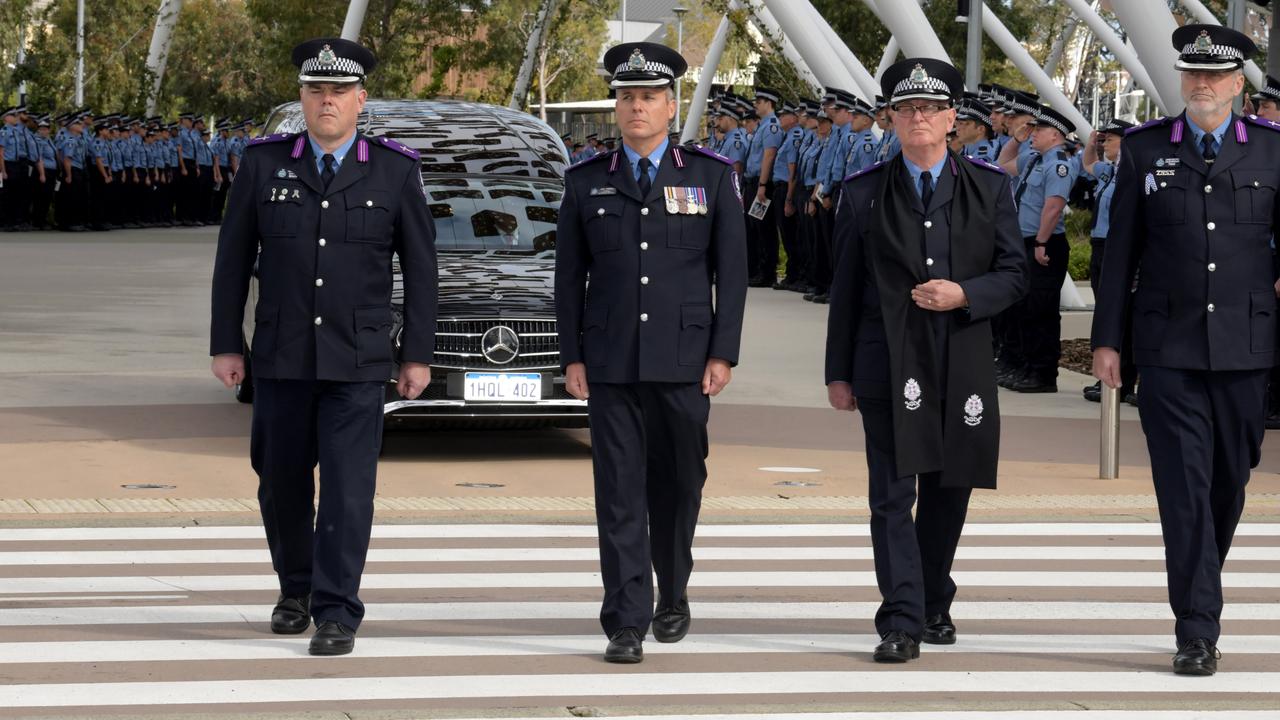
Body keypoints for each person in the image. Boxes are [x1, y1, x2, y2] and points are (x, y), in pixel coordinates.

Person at [209, 36, 438, 657]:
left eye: (339, 91)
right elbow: (232, 263)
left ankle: (338, 610)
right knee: (279, 480)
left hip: (358, 359)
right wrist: (227, 343)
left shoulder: (394, 169)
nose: (327, 101)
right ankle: (296, 591)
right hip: (281, 357)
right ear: (303, 99)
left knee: (346, 486)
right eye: (316, 91)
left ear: (361, 100)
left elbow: (422, 269)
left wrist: (417, 353)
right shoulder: (263, 164)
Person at [1092, 24, 1280, 677]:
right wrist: (1108, 340)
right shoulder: (1145, 151)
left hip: (1246, 346)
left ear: (1237, 84)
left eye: (1214, 75)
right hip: (1165, 344)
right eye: (1191, 74)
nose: (1201, 85)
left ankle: (1200, 579)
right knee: (1184, 487)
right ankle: (1197, 627)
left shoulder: (1270, 151)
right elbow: (1120, 255)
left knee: (1229, 479)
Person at [825, 57, 1026, 664]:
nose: (919, 118)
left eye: (931, 109)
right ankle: (902, 618)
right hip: (884, 362)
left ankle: (935, 596)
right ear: (890, 118)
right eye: (906, 109)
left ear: (951, 120)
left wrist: (966, 293)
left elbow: (1014, 274)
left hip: (959, 360)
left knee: (949, 487)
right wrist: (837, 372)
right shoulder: (862, 193)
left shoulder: (989, 188)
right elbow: (847, 290)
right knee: (891, 494)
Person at [554, 41, 748, 664]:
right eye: (626, 97)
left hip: (686, 363)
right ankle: (625, 619)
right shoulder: (586, 182)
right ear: (617, 106)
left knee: (679, 486)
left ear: (671, 106)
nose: (636, 107)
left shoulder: (711, 176)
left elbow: (733, 274)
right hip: (611, 361)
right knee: (618, 493)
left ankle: (674, 591)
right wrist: (571, 355)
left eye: (648, 98)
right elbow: (568, 276)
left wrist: (723, 352)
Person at [1003, 104, 1077, 393]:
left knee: (1041, 311)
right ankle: (1026, 366)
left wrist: (1041, 242)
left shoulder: (1058, 164)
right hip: (1027, 242)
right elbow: (1002, 164)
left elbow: (1054, 207)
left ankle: (1043, 373)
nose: (1034, 133)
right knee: (1022, 307)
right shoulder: (1035, 159)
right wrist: (1018, 139)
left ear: (1056, 135)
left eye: (1039, 129)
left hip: (1045, 244)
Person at [1080, 118, 1137, 404]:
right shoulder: (1110, 171)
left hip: (1119, 247)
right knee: (1105, 309)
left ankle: (1123, 379)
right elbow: (1088, 165)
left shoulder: (1132, 172)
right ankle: (1109, 375)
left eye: (1109, 140)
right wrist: (1091, 145)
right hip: (1100, 245)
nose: (1105, 145)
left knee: (1122, 315)